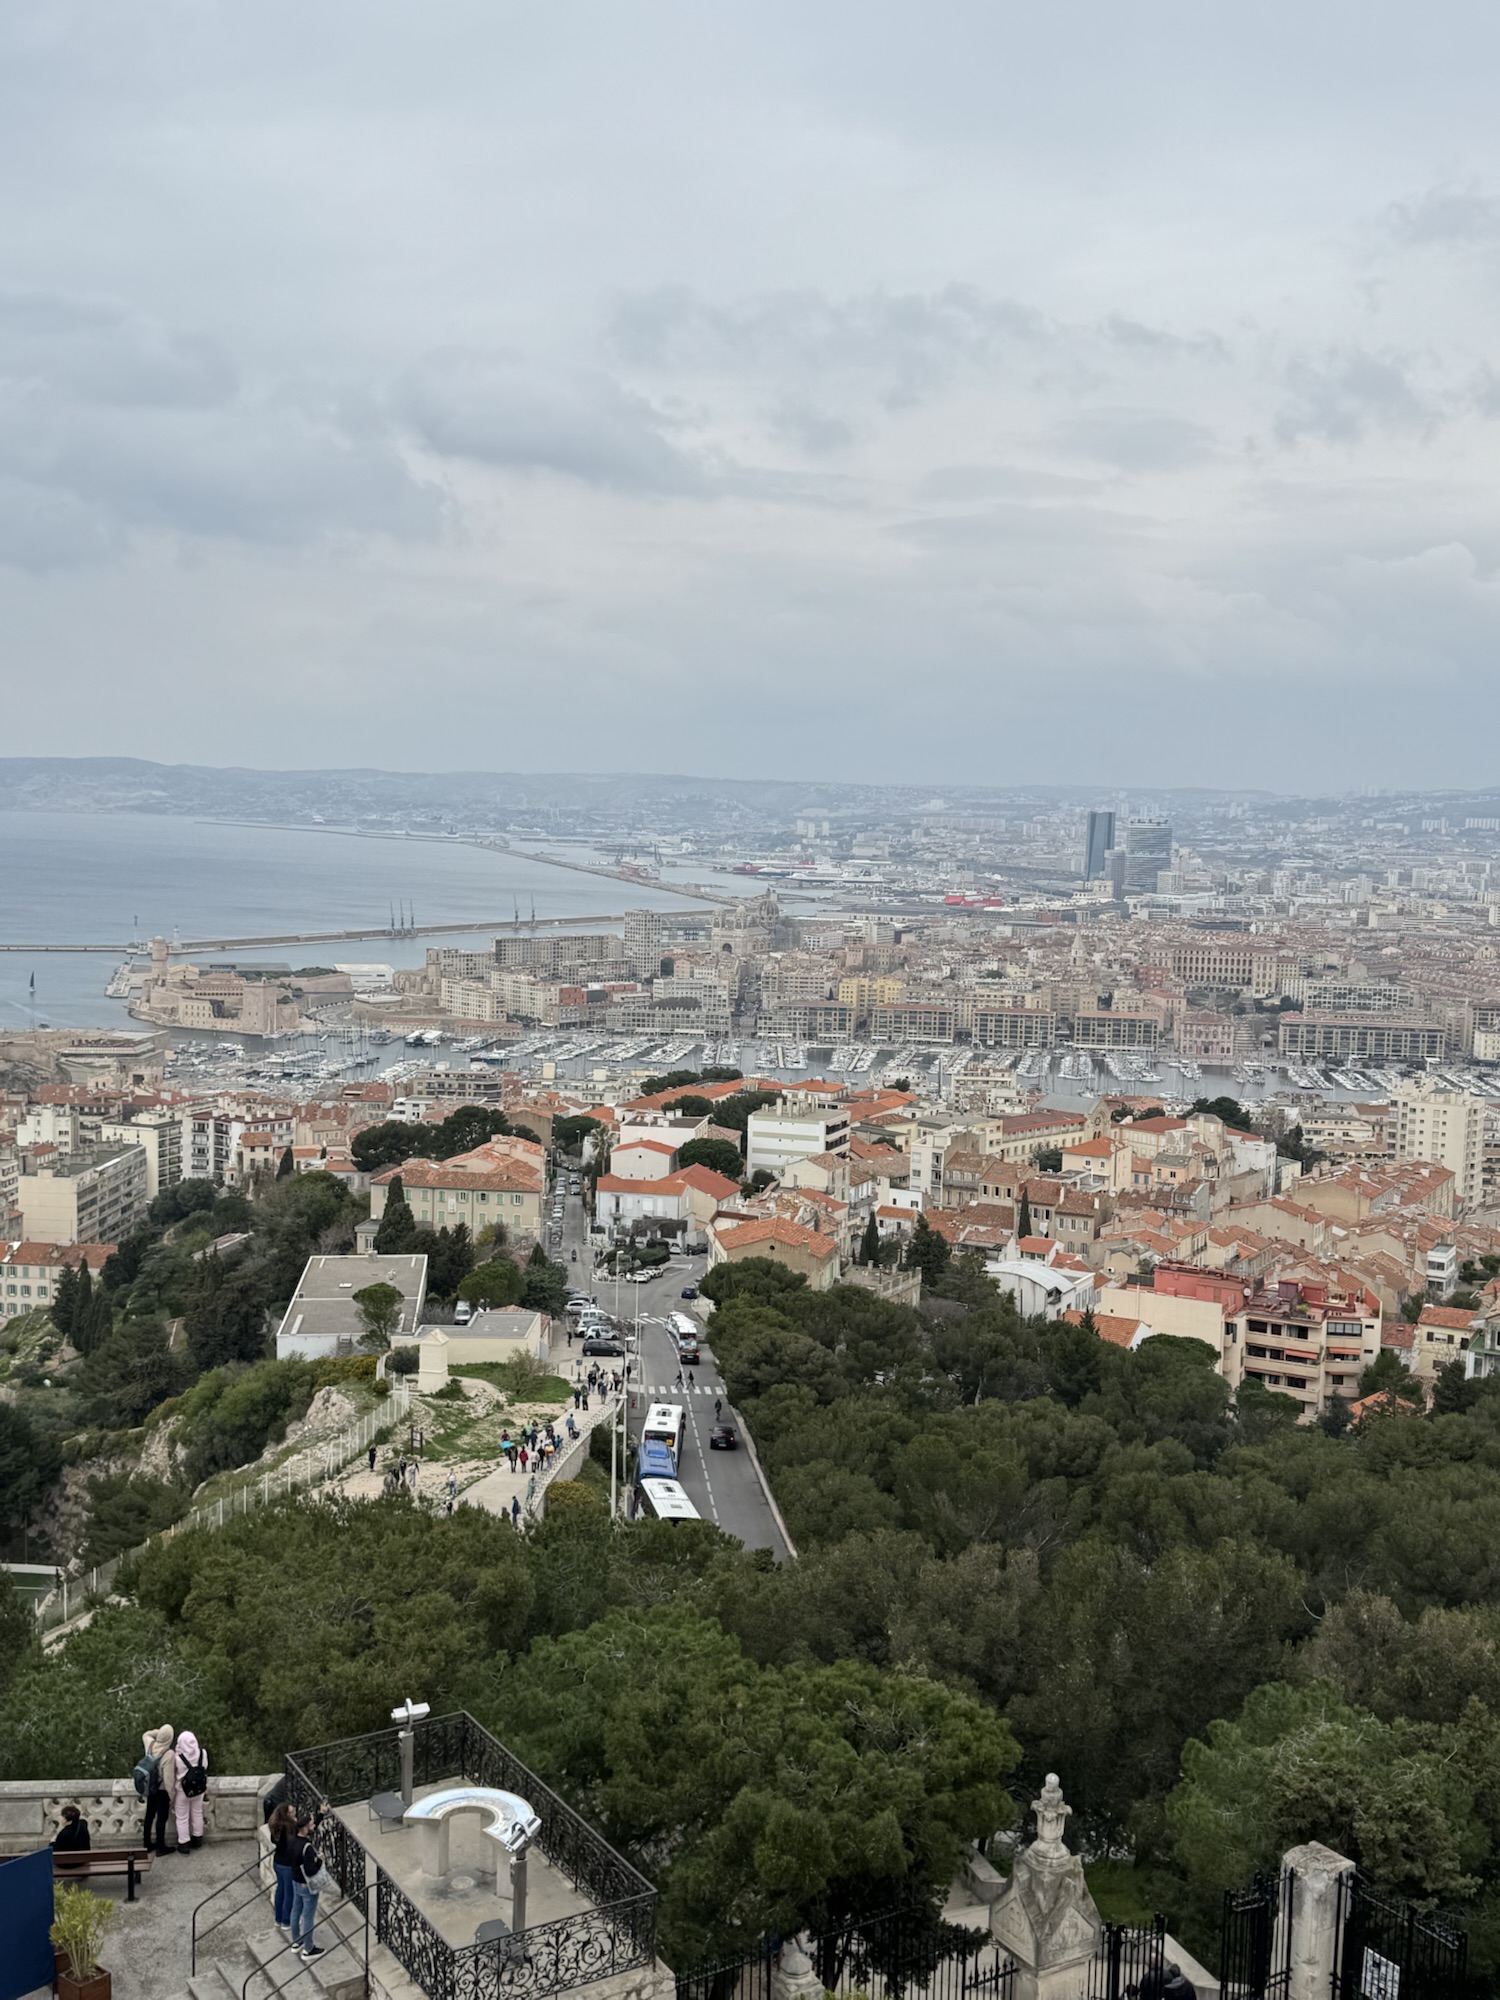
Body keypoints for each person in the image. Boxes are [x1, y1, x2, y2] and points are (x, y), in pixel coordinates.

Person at [288, 1808, 326, 1962]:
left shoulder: (292, 1840)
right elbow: (310, 1871)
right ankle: (308, 1949)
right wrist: (320, 1860)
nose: (312, 1827)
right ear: (304, 1829)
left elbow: (313, 1827)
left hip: (295, 1880)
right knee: (308, 1916)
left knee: (296, 1911)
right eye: (310, 1825)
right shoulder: (307, 1848)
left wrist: (320, 1815)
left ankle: (297, 1940)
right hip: (307, 1885)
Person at [141, 1724, 176, 1855]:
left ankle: (147, 1844)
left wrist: (159, 1733)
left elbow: (146, 1734)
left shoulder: (149, 1744)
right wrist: (171, 1797)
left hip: (150, 1787)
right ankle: (161, 1847)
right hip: (161, 1790)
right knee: (161, 1819)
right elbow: (169, 1780)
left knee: (149, 1816)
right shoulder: (169, 1754)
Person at [174, 1728, 209, 1851]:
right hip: (199, 1790)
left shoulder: (178, 1758)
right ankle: (197, 1838)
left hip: (182, 1791)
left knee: (182, 1817)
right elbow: (205, 1766)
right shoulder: (203, 1753)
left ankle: (184, 1843)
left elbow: (175, 1772)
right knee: (197, 1812)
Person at [269, 1801, 299, 1935]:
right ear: (286, 1815)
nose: (294, 1814)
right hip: (287, 1864)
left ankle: (278, 1919)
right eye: (292, 1813)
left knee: (280, 1890)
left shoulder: (276, 1826)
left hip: (278, 1862)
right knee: (289, 1893)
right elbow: (293, 1844)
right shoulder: (289, 1827)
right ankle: (286, 1921)